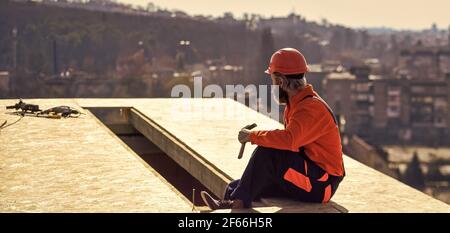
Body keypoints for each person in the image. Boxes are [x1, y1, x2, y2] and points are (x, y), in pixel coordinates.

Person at [201, 48, 345, 209]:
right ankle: (232, 201)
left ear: (281, 81)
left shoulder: (309, 108)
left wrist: (253, 136)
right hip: (312, 178)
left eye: (273, 81)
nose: (273, 86)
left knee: (268, 152)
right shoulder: (297, 104)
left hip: (321, 185)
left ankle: (237, 203)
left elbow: (290, 140)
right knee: (238, 186)